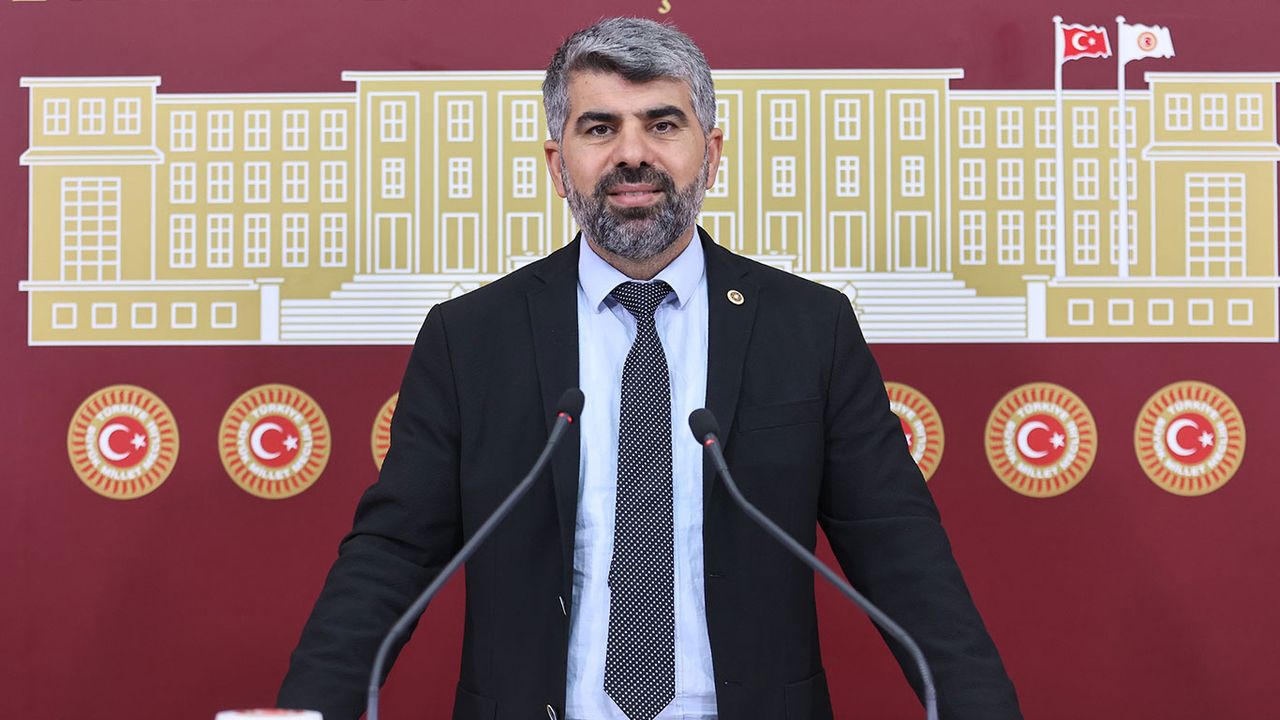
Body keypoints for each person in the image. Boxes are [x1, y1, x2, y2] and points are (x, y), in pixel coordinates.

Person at [279, 17, 1022, 720]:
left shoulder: (808, 328)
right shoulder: (471, 338)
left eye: (662, 125)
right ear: (557, 164)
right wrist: (307, 710)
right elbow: (392, 555)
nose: (632, 154)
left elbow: (900, 552)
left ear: (712, 152)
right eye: (599, 128)